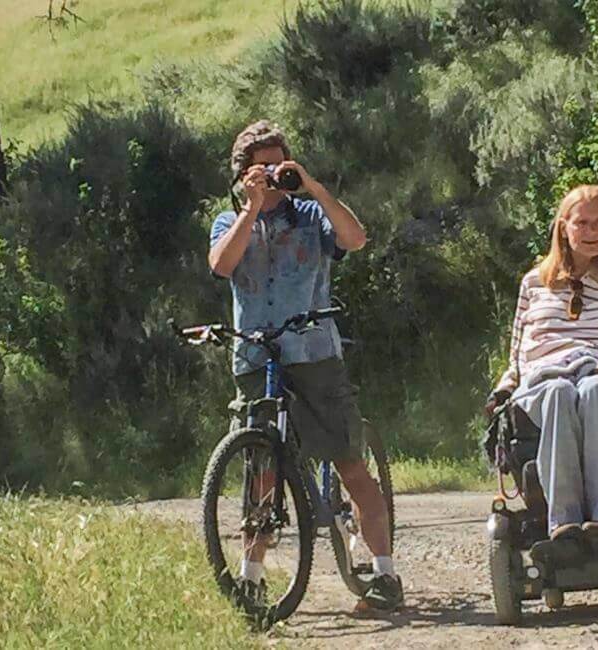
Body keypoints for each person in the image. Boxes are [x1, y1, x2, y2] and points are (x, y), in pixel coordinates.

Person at [209, 120, 404, 611]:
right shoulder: (227, 221)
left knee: (349, 460)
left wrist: (312, 185)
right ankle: (251, 577)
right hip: (256, 356)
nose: (271, 176)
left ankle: (384, 574)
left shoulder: (312, 215)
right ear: (241, 175)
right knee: (260, 473)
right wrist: (251, 208)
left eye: (277, 166)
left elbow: (355, 239)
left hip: (313, 352)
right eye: (260, 169)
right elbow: (222, 265)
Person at [485, 185, 598, 541]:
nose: (591, 232)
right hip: (545, 381)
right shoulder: (534, 284)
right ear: (564, 227)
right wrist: (504, 388)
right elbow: (518, 351)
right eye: (582, 223)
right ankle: (564, 523)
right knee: (559, 391)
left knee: (592, 390)